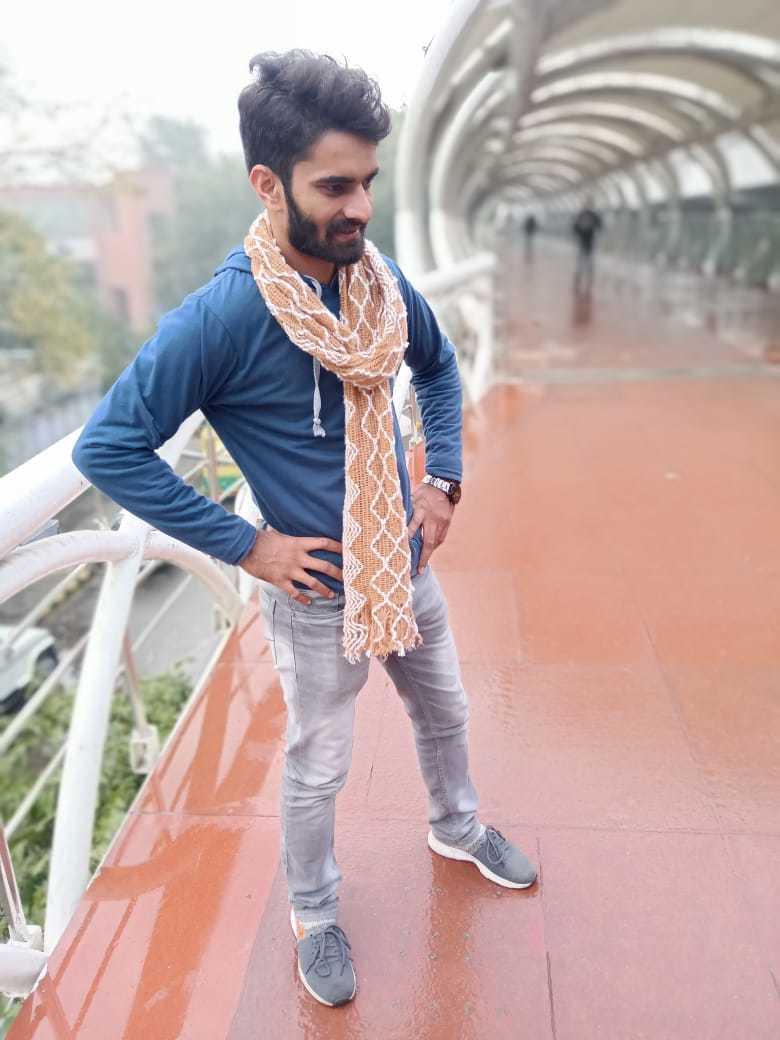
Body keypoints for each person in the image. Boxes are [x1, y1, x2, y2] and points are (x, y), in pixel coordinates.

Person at [72, 50, 537, 1009]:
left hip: (404, 560)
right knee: (320, 766)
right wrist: (248, 545)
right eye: (334, 187)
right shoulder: (223, 317)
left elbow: (438, 367)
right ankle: (315, 913)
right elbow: (108, 448)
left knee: (447, 710)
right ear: (267, 183)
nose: (359, 206)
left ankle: (456, 826)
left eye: (367, 182)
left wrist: (442, 480)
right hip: (318, 589)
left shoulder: (379, 282)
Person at [572, 201, 603, 292]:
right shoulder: (592, 215)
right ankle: (587, 275)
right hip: (588, 240)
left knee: (583, 259)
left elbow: (574, 226)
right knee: (586, 259)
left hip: (585, 241)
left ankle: (581, 275)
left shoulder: (581, 214)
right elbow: (600, 226)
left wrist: (579, 232)